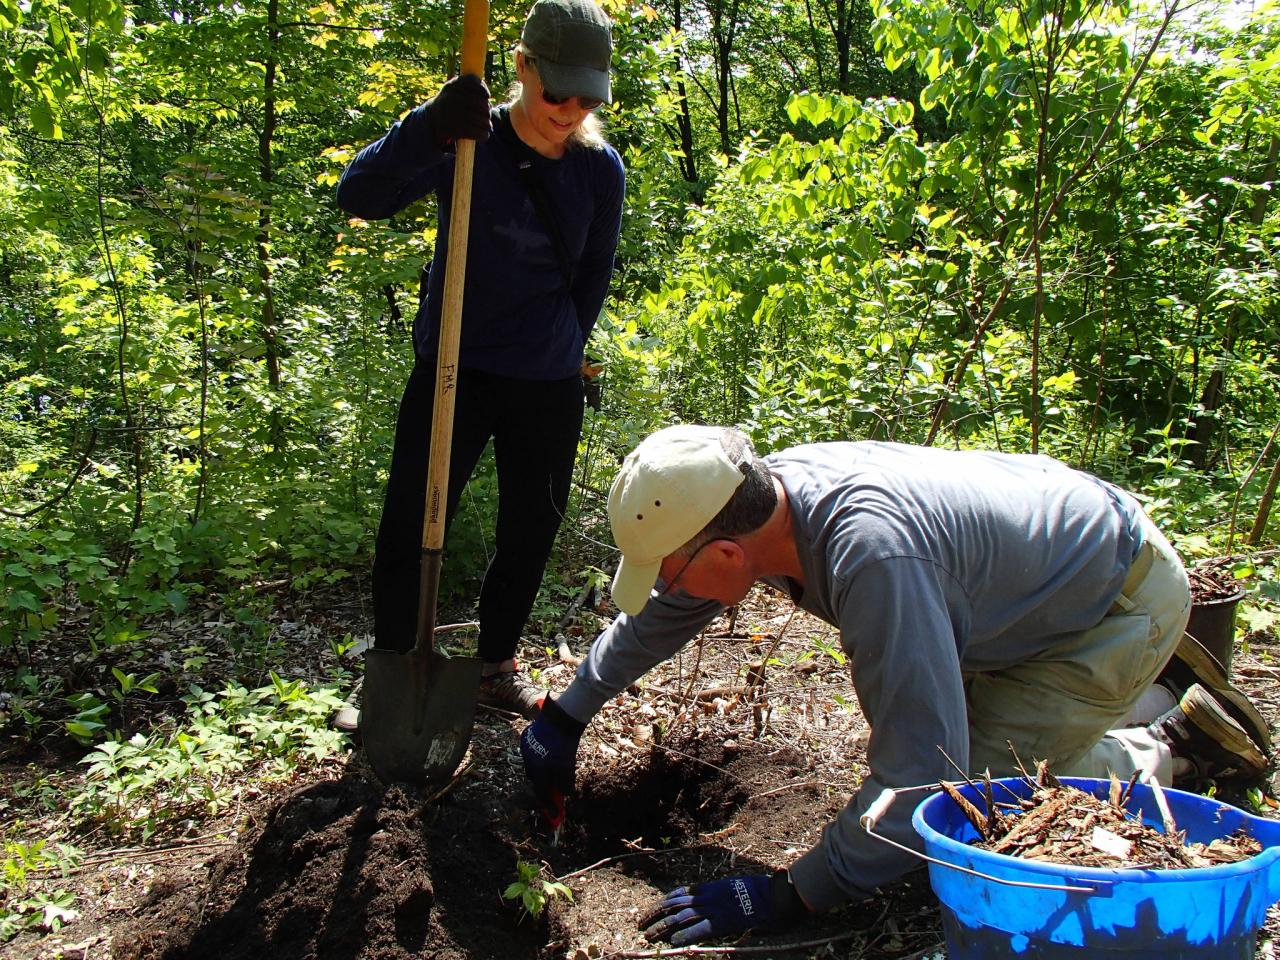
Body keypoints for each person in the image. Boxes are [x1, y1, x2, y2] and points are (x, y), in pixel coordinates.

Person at [520, 425, 1272, 946]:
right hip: (1027, 578)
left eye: (672, 569)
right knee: (960, 755)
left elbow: (922, 777)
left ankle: (1170, 742)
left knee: (977, 796)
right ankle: (1121, 700)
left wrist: (796, 891)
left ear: (723, 549)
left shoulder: (873, 561)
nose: (671, 589)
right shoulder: (765, 500)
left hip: (1110, 601)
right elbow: (670, 609)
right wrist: (569, 711)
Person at [333, 0, 625, 726]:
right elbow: (358, 195)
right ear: (523, 67)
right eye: (557, 91)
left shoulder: (599, 170)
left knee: (532, 526)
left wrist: (559, 345)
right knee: (410, 522)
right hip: (454, 370)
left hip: (547, 379)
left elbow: (592, 274)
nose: (570, 109)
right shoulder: (467, 138)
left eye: (588, 95)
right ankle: (396, 663)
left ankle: (495, 666)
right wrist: (427, 127)